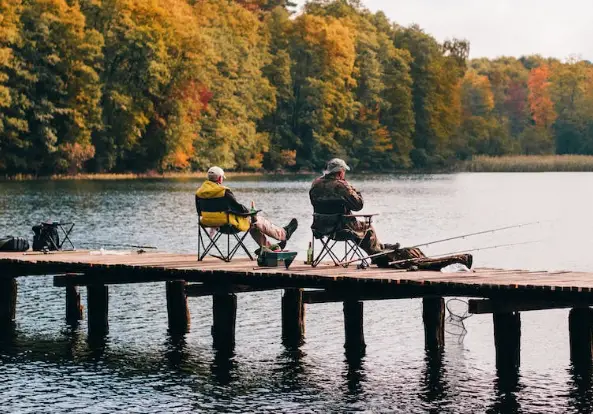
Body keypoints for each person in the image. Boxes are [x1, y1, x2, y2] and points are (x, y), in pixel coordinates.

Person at [309, 158, 472, 269]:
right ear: (340, 172)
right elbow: (358, 205)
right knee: (367, 226)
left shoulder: (315, 184)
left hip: (321, 229)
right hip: (341, 228)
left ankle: (380, 251)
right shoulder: (341, 185)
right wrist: (353, 188)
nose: (345, 174)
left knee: (360, 229)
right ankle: (378, 253)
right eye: (344, 171)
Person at [196, 166, 298, 252]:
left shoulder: (199, 193)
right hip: (229, 225)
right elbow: (239, 208)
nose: (222, 180)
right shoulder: (223, 192)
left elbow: (199, 212)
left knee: (253, 224)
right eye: (222, 178)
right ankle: (284, 234)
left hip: (212, 225)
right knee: (257, 220)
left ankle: (268, 248)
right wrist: (249, 212)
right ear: (219, 179)